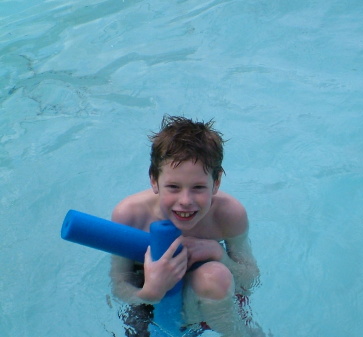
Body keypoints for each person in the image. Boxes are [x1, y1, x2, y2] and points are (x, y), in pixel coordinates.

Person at [110, 115, 263, 336]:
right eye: (173, 186)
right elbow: (119, 285)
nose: (185, 200)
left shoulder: (229, 214)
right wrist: (150, 292)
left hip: (211, 300)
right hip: (150, 301)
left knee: (215, 275)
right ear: (154, 180)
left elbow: (249, 279)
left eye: (198, 187)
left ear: (216, 182)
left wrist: (218, 254)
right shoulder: (131, 216)